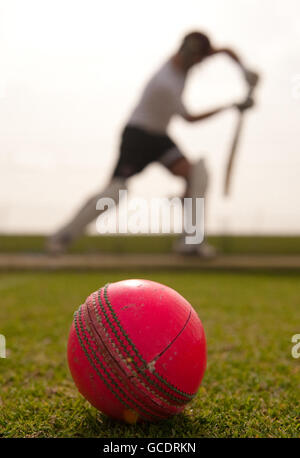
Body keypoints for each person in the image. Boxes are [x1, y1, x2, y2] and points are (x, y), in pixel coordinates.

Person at [47, 31, 257, 256]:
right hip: (137, 136)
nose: (199, 64)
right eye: (198, 59)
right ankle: (63, 236)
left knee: (196, 174)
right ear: (188, 54)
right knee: (115, 191)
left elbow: (225, 51)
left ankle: (191, 242)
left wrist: (244, 70)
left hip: (159, 137)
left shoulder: (187, 61)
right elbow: (189, 119)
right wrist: (231, 106)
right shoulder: (165, 83)